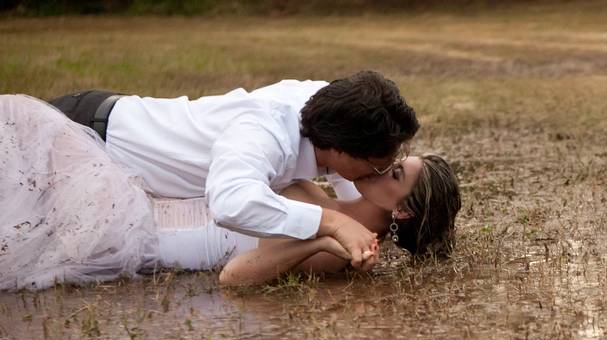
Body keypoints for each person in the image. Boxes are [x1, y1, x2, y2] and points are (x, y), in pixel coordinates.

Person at [0, 95, 461, 291]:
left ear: (400, 210)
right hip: (137, 196)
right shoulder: (334, 198)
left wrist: (321, 238)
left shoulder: (342, 247)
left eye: (396, 170)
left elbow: (235, 277)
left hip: (139, 235)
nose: (384, 160)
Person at [47, 71, 420, 268]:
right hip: (78, 138)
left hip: (106, 154)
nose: (383, 168)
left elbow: (353, 181)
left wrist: (369, 223)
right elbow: (230, 202)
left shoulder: (332, 110)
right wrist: (333, 224)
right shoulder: (264, 134)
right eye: (378, 162)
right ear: (338, 149)